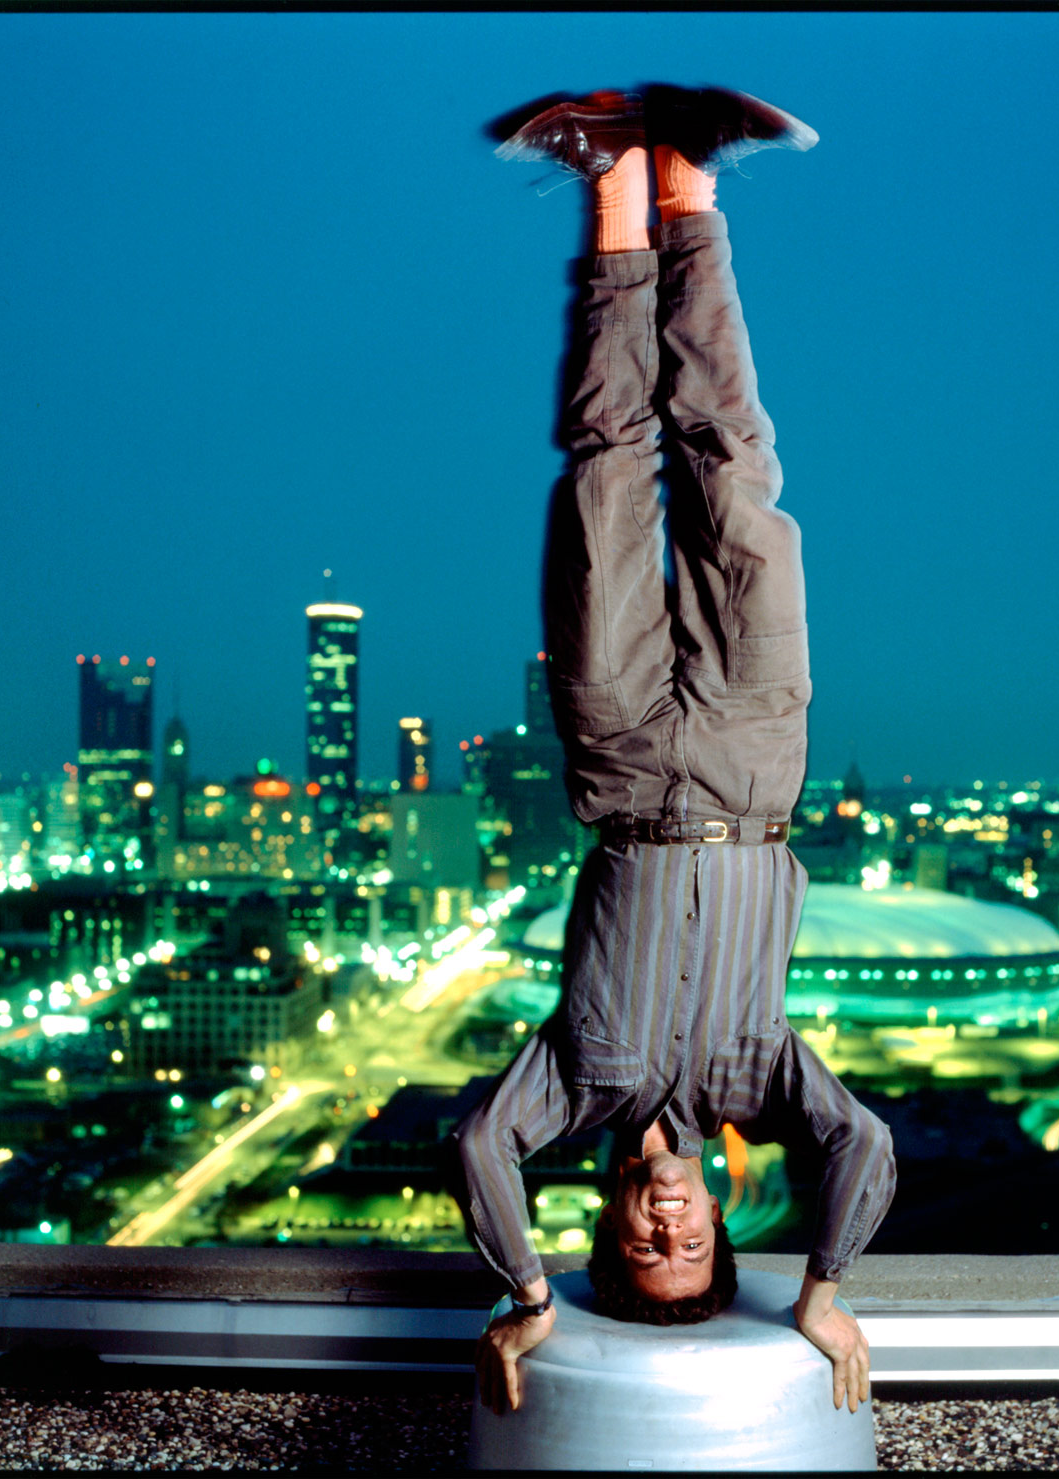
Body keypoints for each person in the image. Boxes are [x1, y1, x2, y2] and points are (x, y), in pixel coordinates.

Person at [452, 84, 896, 1420]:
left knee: (604, 467)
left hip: (624, 761)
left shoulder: (569, 1092)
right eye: (691, 1249)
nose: (663, 1234)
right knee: (732, 473)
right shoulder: (765, 1078)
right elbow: (864, 1147)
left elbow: (480, 1147)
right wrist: (822, 1282)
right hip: (760, 761)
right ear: (717, 1216)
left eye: (638, 1254)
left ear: (608, 1229)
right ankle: (690, 177)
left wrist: (530, 1294)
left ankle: (605, 172)